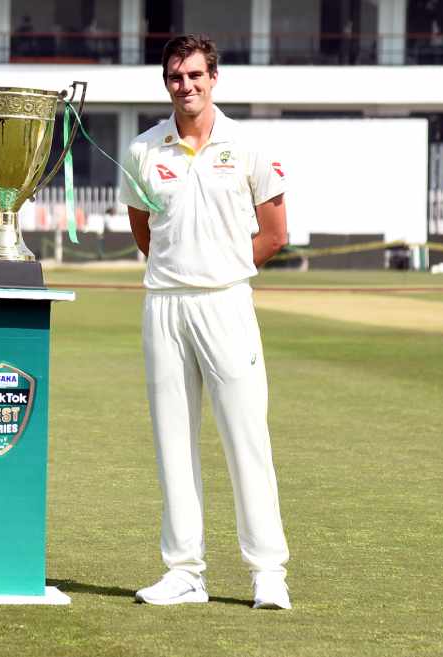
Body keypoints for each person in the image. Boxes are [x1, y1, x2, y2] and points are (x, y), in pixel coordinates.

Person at [121, 34, 291, 609]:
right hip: (164, 304)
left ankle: (268, 571)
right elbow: (142, 229)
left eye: (195, 75)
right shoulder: (145, 148)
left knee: (246, 436)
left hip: (226, 302)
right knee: (173, 439)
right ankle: (184, 572)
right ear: (166, 82)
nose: (185, 86)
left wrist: (219, 269)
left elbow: (274, 234)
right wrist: (179, 270)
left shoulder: (246, 144)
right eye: (175, 77)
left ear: (213, 77)